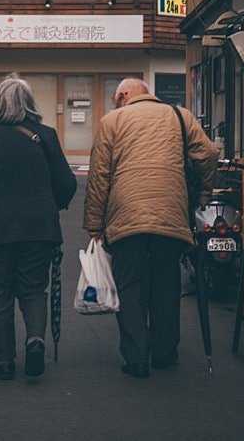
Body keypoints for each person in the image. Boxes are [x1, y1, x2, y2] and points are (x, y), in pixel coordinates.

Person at [83, 77, 219, 378]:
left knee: (129, 287)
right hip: (170, 215)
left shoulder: (112, 121)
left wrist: (94, 223)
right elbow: (208, 154)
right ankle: (164, 353)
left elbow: (99, 175)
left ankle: (136, 359)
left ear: (122, 96)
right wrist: (202, 194)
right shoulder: (180, 116)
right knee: (166, 286)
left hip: (125, 217)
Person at [0, 74, 77, 381]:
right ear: (30, 104)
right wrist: (50, 205)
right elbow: (67, 184)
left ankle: (5, 361)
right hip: (38, 229)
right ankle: (35, 340)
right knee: (34, 289)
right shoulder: (46, 135)